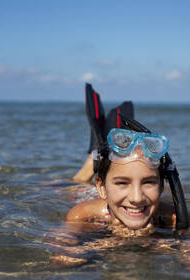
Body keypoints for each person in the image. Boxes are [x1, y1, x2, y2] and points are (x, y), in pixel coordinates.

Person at [67, 84, 189, 234]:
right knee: (77, 183)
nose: (137, 198)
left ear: (161, 186)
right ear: (102, 188)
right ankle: (91, 161)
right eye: (122, 182)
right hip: (87, 195)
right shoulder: (83, 216)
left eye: (149, 182)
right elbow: (65, 257)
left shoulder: (173, 218)